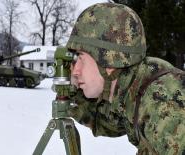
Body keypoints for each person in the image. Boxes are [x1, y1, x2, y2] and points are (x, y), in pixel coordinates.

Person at [66, 2, 185, 155]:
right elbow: (102, 122)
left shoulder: (163, 105)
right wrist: (70, 93)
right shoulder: (129, 91)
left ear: (108, 60)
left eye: (80, 58)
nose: (75, 70)